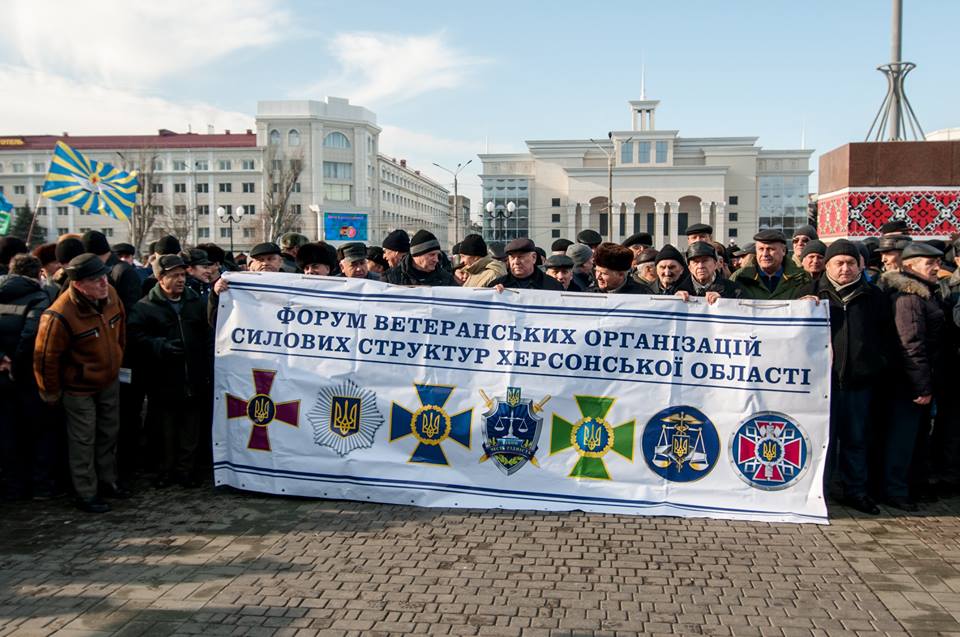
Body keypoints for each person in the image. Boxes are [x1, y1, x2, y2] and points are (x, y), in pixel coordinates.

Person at [798, 240, 895, 515]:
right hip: (820, 385)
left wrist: (877, 364)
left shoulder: (874, 296)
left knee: (856, 439)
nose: (845, 268)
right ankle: (819, 492)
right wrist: (801, 308)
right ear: (827, 265)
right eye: (838, 263)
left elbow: (887, 336)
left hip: (859, 383)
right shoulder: (810, 293)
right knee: (821, 440)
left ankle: (856, 491)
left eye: (850, 263)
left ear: (860, 265)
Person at [34, 253, 127, 513]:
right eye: (95, 280)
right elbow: (45, 358)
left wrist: (117, 361)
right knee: (83, 441)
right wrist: (50, 392)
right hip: (79, 388)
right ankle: (86, 492)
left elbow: (121, 332)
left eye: (104, 277)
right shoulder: (58, 315)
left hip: (108, 379)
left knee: (109, 433)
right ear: (78, 284)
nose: (103, 283)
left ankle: (109, 481)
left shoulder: (111, 297)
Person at [128, 255, 210, 489]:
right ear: (159, 278)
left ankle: (186, 471)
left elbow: (207, 333)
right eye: (174, 275)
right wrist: (158, 346)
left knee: (190, 430)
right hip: (163, 380)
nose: (180, 280)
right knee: (165, 431)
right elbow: (134, 338)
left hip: (193, 378)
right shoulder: (145, 307)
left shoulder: (195, 303)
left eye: (183, 275)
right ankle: (165, 471)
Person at [879, 242, 945, 511]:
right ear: (909, 266)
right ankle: (895, 491)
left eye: (937, 263)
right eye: (929, 263)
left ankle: (910, 487)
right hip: (907, 384)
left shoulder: (925, 294)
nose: (937, 268)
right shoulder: (908, 298)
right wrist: (921, 386)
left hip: (918, 381)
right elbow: (911, 344)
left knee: (915, 439)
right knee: (902, 440)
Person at [0, 254, 61, 500]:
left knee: (7, 431)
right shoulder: (39, 296)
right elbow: (32, 333)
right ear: (38, 274)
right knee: (39, 430)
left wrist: (2, 357)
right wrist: (16, 361)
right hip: (26, 375)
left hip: (2, 375)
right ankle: (41, 486)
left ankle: (12, 487)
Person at [730, 230, 810, 300]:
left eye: (771, 249)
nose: (765, 254)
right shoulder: (739, 277)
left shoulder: (801, 278)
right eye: (761, 249)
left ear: (783, 251)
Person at [384, 230, 458, 286]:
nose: (436, 260)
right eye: (432, 255)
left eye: (437, 255)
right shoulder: (390, 278)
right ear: (417, 254)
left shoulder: (447, 279)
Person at [675, 242, 742, 303]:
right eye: (695, 262)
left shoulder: (735, 290)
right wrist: (674, 300)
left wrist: (724, 300)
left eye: (705, 261)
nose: (700, 266)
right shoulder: (677, 290)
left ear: (715, 264)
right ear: (689, 267)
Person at [490, 239, 563, 291]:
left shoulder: (552, 286)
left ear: (533, 257)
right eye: (512, 257)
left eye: (520, 257)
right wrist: (493, 295)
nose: (516, 262)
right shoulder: (497, 285)